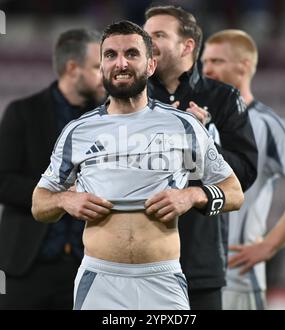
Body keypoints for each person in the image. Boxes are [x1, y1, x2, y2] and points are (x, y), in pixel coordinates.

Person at [31, 20, 244, 310]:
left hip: (163, 279)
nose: (121, 63)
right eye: (110, 55)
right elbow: (39, 204)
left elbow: (234, 192)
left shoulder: (183, 126)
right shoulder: (77, 132)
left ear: (151, 65)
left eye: (132, 54)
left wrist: (193, 195)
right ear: (102, 66)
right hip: (99, 281)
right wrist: (66, 199)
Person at [143, 5, 258, 309]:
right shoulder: (126, 98)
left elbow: (245, 174)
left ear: (187, 45)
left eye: (158, 34)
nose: (146, 42)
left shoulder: (224, 98)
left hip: (199, 266)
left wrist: (205, 139)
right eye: (145, 34)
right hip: (137, 266)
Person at [0, 28, 106, 309]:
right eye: (98, 66)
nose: (105, 75)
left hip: (91, 265)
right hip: (28, 263)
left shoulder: (109, 120)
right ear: (73, 68)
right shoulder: (23, 113)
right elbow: (3, 181)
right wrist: (59, 195)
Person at [201, 29, 285, 309]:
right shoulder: (196, 122)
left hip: (237, 276)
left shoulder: (268, 124)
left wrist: (268, 246)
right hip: (191, 272)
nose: (207, 69)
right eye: (205, 62)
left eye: (217, 61)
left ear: (244, 66)